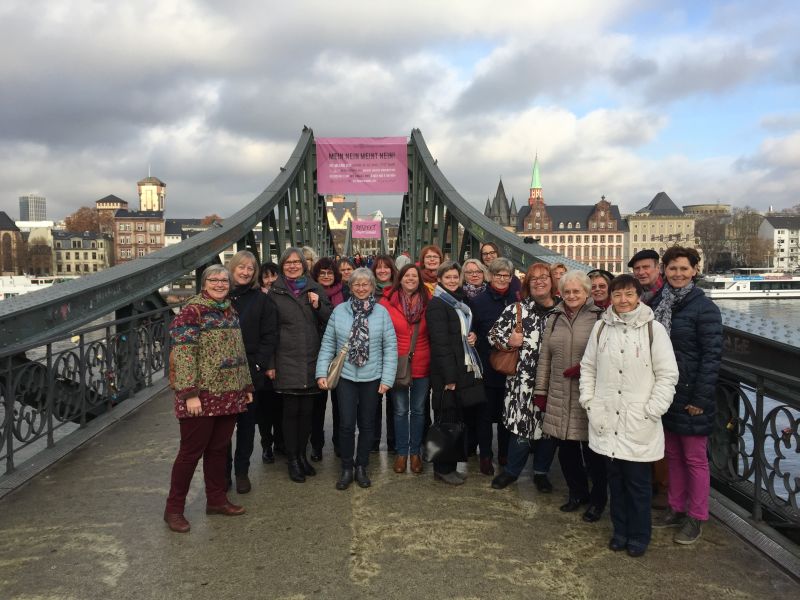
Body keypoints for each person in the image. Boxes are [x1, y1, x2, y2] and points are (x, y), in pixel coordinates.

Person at [579, 274, 678, 557]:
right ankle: (619, 531)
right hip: (607, 417)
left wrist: (653, 409)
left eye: (629, 294)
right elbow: (588, 368)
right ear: (611, 298)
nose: (623, 300)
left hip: (638, 420)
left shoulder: (653, 330)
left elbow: (667, 374)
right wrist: (589, 401)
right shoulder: (601, 329)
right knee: (616, 481)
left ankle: (639, 534)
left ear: (638, 297)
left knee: (638, 483)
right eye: (618, 295)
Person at [164, 265, 253, 533]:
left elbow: (239, 349)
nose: (219, 284)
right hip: (201, 396)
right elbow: (184, 354)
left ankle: (216, 500)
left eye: (224, 280)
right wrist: (189, 393)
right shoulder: (192, 312)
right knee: (190, 454)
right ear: (204, 284)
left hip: (230, 393)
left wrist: (246, 383)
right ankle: (173, 509)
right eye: (213, 280)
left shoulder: (230, 310)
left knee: (218, 449)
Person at [652, 246, 723, 545]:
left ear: (694, 270)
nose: (678, 274)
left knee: (695, 458)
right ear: (664, 271)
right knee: (672, 454)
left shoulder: (705, 308)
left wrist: (700, 399)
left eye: (683, 268)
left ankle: (696, 516)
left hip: (693, 394)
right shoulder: (660, 303)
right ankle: (676, 506)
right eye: (672, 268)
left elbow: (712, 357)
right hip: (667, 392)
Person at [534, 270, 607, 522]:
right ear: (560, 293)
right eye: (567, 291)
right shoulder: (554, 317)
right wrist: (540, 391)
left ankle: (597, 501)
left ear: (587, 293)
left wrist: (586, 367)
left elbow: (608, 356)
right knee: (566, 451)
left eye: (577, 291)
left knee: (593, 452)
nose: (572, 295)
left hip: (587, 394)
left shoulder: (600, 318)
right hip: (558, 392)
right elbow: (545, 357)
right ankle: (577, 494)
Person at [316, 268, 397, 490]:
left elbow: (390, 348)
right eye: (356, 285)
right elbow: (328, 344)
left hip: (372, 376)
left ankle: (361, 466)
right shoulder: (339, 311)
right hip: (346, 376)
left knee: (368, 425)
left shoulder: (381, 312)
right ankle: (346, 467)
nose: (361, 288)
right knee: (346, 424)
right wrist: (322, 372)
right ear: (350, 287)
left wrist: (387, 378)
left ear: (372, 287)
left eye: (366, 284)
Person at [488, 262, 559, 492]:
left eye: (544, 277)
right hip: (522, 384)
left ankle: (541, 473)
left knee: (548, 430)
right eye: (533, 278)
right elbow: (492, 336)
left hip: (553, 382)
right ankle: (512, 472)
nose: (539, 281)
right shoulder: (516, 310)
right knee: (521, 429)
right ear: (527, 284)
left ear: (552, 281)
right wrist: (509, 341)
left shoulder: (562, 311)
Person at [268, 247, 332, 483]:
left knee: (307, 413)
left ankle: (302, 456)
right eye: (288, 263)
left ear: (304, 265)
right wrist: (271, 363)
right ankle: (292, 460)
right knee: (290, 412)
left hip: (311, 358)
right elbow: (269, 331)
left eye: (297, 262)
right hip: (286, 359)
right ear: (282, 265)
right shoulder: (274, 293)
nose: (293, 266)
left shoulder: (315, 289)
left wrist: (318, 306)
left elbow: (330, 318)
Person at [426, 261, 485, 485]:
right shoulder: (437, 305)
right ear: (439, 279)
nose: (452, 280)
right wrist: (449, 379)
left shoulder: (458, 302)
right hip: (446, 375)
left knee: (455, 419)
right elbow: (440, 345)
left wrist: (472, 338)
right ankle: (443, 468)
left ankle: (448, 465)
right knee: (446, 421)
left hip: (460, 369)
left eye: (455, 276)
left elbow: (464, 333)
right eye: (447, 277)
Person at [225, 251, 278, 495]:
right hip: (221, 374)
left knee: (246, 425)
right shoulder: (218, 295)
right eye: (241, 267)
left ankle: (242, 472)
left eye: (250, 268)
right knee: (222, 428)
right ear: (232, 267)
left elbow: (270, 336)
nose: (246, 272)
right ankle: (222, 474)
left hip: (250, 372)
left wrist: (258, 364)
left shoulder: (262, 300)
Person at [469, 257, 519, 475]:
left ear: (510, 277)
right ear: (490, 276)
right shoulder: (478, 302)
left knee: (507, 415)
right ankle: (486, 455)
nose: (501, 278)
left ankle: (505, 454)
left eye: (505, 275)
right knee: (485, 416)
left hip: (511, 367)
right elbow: (474, 332)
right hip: (488, 366)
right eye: (497, 274)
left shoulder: (518, 302)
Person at [381, 264, 431, 474]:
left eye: (414, 276)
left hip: (423, 362)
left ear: (419, 280)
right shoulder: (386, 303)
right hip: (397, 363)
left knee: (419, 411)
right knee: (400, 411)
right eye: (407, 275)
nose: (411, 279)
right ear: (399, 279)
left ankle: (415, 452)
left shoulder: (430, 302)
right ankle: (402, 453)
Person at [628, 248, 668, 507]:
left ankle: (664, 490)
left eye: (646, 267)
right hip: (638, 379)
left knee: (663, 438)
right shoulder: (636, 299)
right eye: (637, 269)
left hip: (663, 377)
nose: (642, 272)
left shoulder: (669, 297)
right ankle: (649, 486)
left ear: (658, 268)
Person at [309, 257, 347, 460]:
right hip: (317, 353)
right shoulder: (309, 293)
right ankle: (317, 444)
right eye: (322, 273)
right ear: (315, 275)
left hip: (341, 355)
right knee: (317, 405)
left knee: (341, 404)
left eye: (329, 272)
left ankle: (340, 443)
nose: (325, 276)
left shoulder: (346, 292)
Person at [371, 255, 399, 451]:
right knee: (373, 400)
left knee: (394, 400)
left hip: (394, 350)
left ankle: (393, 441)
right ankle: (373, 442)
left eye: (386, 268)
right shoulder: (366, 290)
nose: (382, 271)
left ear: (392, 270)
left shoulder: (399, 292)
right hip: (372, 351)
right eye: (378, 268)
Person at [256, 261, 284, 463]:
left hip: (285, 359)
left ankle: (281, 442)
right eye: (266, 276)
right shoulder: (258, 300)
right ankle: (267, 444)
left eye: (274, 275)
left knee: (282, 405)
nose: (270, 280)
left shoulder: (287, 296)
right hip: (265, 361)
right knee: (265, 407)